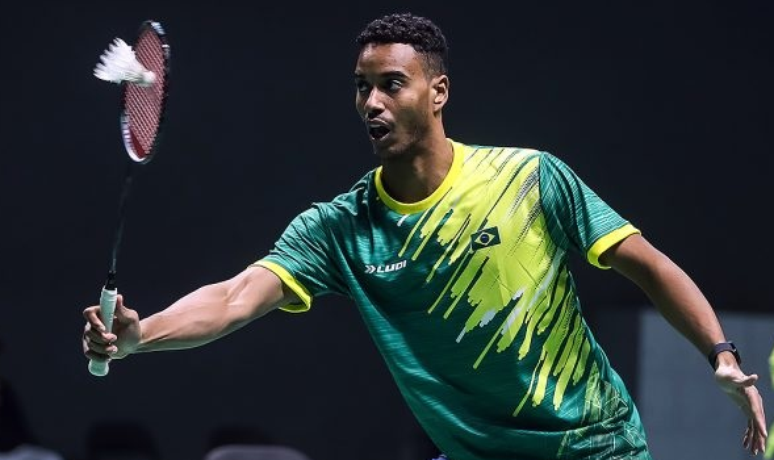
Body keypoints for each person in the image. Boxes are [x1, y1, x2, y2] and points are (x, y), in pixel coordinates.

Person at [82, 12, 768, 460]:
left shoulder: (528, 179)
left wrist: (720, 353)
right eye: (361, 87)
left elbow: (647, 264)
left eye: (392, 84)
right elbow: (236, 297)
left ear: (438, 92)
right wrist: (145, 335)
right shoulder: (341, 228)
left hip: (592, 447)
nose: (372, 102)